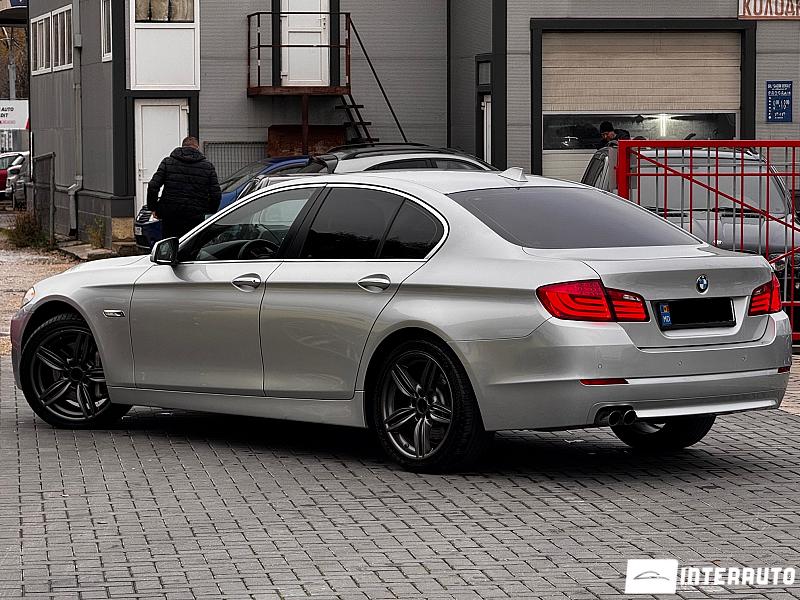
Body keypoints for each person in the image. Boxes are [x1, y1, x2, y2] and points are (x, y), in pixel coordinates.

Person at [147, 136, 222, 240]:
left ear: (182, 147)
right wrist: (209, 210)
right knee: (191, 244)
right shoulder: (207, 166)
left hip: (170, 214)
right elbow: (216, 194)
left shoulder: (167, 162)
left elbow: (153, 186)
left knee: (171, 244)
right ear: (197, 148)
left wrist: (154, 208)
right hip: (195, 214)